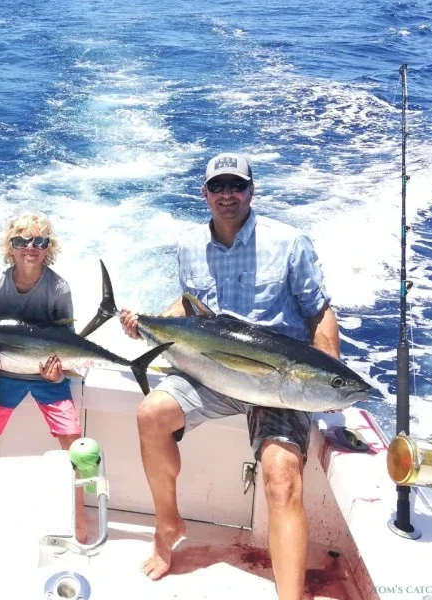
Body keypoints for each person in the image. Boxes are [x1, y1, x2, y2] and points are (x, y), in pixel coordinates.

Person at [120, 153, 339, 599]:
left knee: (281, 475)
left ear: (251, 191)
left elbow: (319, 311)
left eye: (236, 186)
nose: (227, 195)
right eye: (217, 187)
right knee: (151, 413)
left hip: (277, 381)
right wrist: (146, 323)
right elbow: (189, 305)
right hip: (214, 369)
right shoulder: (189, 246)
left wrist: (328, 372)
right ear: (205, 194)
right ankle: (168, 523)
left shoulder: (289, 242)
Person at [0, 212, 89, 543]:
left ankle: (80, 516)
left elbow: (67, 341)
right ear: (11, 247)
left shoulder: (58, 289)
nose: (30, 247)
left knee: (73, 440)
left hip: (47, 375)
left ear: (49, 247)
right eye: (21, 241)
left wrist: (56, 373)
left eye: (39, 241)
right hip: (5, 374)